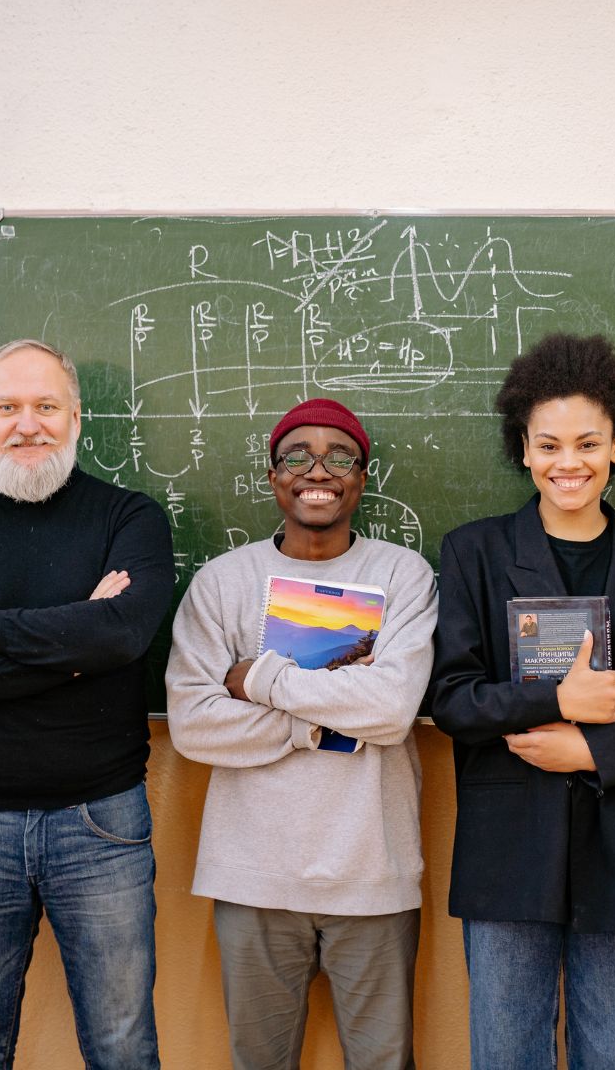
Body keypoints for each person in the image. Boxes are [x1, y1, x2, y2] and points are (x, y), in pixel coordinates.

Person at [0, 338, 174, 1070]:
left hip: (102, 823)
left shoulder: (130, 517)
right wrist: (76, 648)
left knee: (122, 1049)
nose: (27, 424)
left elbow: (126, 634)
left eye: (45, 406)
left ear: (76, 416)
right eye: (7, 407)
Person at [166, 397, 437, 1070]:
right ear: (272, 476)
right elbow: (194, 724)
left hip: (372, 875)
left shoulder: (403, 576)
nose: (319, 471)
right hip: (253, 878)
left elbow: (390, 710)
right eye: (298, 457)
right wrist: (313, 727)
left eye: (339, 456)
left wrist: (259, 678)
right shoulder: (221, 582)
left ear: (363, 476)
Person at [430, 333, 615, 1070]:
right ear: (524, 450)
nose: (569, 463)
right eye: (548, 444)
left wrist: (595, 749)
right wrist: (556, 700)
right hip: (509, 849)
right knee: (506, 1056)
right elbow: (452, 699)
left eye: (588, 443)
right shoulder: (473, 552)